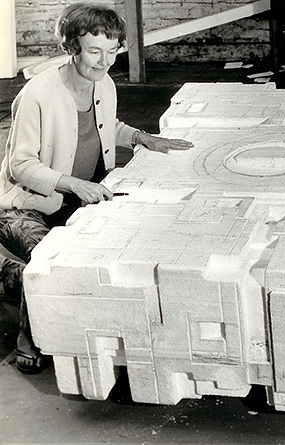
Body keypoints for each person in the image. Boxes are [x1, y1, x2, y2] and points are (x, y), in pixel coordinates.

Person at [0, 2, 193, 374]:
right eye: (93, 52)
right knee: (53, 258)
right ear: (71, 47)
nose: (104, 62)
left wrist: (140, 136)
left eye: (111, 51)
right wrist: (75, 184)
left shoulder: (102, 82)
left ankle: (12, 277)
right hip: (23, 204)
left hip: (74, 196)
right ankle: (29, 340)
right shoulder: (37, 94)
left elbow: (106, 125)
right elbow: (19, 165)